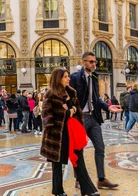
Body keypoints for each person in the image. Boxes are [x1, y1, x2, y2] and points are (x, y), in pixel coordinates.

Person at [41, 67, 99, 196]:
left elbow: (77, 110)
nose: (68, 79)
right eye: (65, 76)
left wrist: (72, 111)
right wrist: (67, 112)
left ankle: (88, 190)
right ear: (58, 79)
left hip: (71, 131)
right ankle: (58, 191)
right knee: (57, 163)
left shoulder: (71, 92)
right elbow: (46, 115)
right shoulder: (51, 94)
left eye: (68, 76)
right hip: (58, 134)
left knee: (78, 159)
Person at [70, 52, 120, 190]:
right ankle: (79, 179)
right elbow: (70, 98)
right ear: (83, 62)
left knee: (100, 147)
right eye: (91, 62)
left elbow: (96, 98)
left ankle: (101, 179)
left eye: (95, 62)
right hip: (81, 118)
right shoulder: (75, 78)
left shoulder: (94, 77)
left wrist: (108, 107)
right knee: (78, 150)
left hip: (94, 117)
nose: (94, 64)